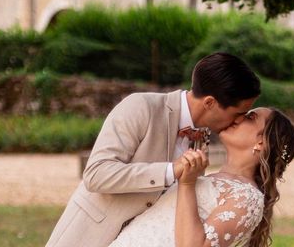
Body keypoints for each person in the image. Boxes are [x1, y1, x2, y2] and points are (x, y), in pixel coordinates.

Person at [45, 52, 261, 247]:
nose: (239, 121)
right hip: (88, 237)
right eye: (238, 113)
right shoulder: (141, 107)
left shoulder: (201, 135)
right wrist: (170, 171)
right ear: (210, 103)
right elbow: (96, 174)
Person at [109, 107, 294, 247]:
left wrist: (187, 184)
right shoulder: (208, 177)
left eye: (250, 117)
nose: (238, 116)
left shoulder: (247, 198)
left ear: (262, 142)